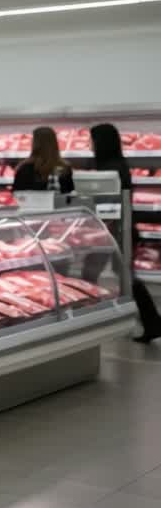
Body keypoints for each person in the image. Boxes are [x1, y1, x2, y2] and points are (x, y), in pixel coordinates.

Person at [86, 123, 161, 343]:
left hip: (115, 229)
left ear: (102, 142)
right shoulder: (114, 163)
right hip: (113, 228)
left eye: (93, 140)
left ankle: (151, 321)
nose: (90, 145)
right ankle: (151, 321)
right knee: (115, 275)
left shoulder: (113, 167)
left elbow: (110, 199)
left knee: (98, 274)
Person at [13, 126, 73, 193]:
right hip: (58, 203)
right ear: (54, 143)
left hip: (32, 203)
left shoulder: (24, 168)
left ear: (35, 144)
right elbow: (69, 194)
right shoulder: (64, 167)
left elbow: (17, 194)